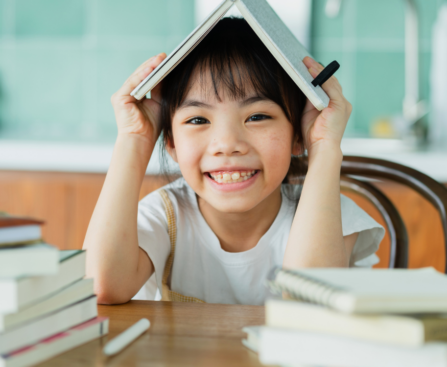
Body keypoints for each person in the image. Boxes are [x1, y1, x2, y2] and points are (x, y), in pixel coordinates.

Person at [83, 18, 384, 305]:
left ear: (297, 136)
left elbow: (310, 299)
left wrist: (324, 147)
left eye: (257, 116)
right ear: (171, 141)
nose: (227, 144)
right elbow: (100, 286)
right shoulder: (165, 216)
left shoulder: (331, 217)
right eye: (198, 119)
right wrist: (134, 139)